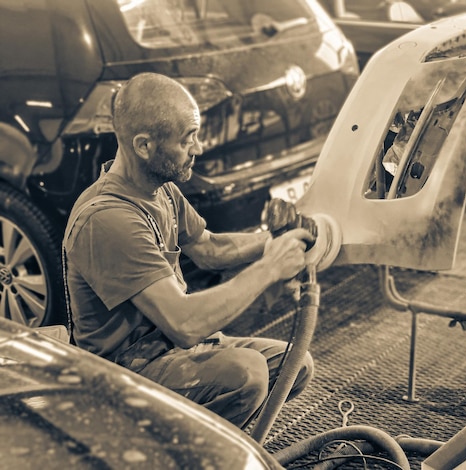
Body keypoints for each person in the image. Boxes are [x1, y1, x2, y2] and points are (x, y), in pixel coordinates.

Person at [63, 72, 315, 428]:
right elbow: (184, 323)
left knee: (295, 365)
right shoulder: (107, 219)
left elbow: (210, 247)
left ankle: (223, 448)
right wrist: (270, 268)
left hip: (168, 351)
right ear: (144, 146)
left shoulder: (159, 190)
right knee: (248, 375)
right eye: (187, 139)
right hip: (122, 373)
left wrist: (276, 240)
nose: (198, 148)